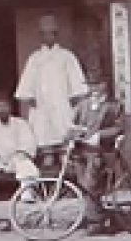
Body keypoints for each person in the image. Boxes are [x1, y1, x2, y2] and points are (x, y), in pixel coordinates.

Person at [15, 15, 90, 152]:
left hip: (61, 99)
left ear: (56, 35)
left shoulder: (66, 56)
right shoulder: (35, 58)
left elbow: (77, 81)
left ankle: (65, 155)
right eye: (44, 34)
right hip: (41, 101)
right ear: (41, 36)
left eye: (51, 34)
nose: (48, 37)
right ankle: (47, 154)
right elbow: (27, 82)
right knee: (42, 129)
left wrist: (75, 96)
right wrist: (29, 97)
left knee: (64, 126)